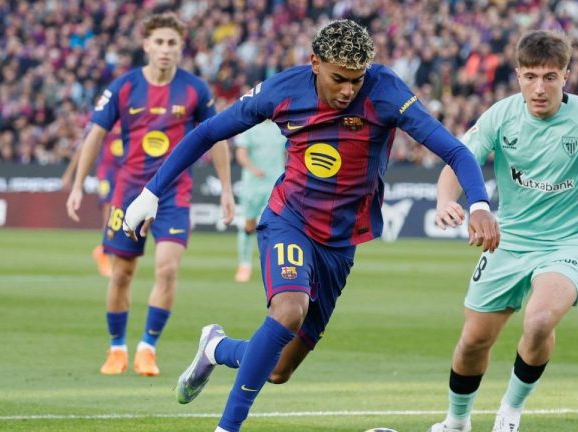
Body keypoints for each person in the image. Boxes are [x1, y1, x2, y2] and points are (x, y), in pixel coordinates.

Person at [122, 19, 499, 432]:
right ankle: (226, 427)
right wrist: (151, 192)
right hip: (290, 220)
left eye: (356, 81)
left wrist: (479, 203)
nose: (348, 91)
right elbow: (208, 132)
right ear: (315, 63)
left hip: (340, 243)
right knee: (288, 311)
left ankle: (216, 348)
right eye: (339, 79)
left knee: (278, 370)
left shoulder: (387, 91)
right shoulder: (283, 90)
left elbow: (455, 151)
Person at [428, 30, 578, 432]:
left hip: (570, 243)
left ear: (566, 75)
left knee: (538, 321)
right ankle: (456, 422)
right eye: (530, 76)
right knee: (473, 340)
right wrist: (447, 200)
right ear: (517, 74)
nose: (539, 87)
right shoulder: (501, 116)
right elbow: (457, 161)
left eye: (550, 77)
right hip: (509, 240)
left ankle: (510, 412)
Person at [65, 12, 235, 377]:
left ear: (180, 47)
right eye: (158, 41)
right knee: (122, 273)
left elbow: (217, 136)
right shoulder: (124, 86)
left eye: (172, 43)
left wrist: (226, 189)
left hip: (175, 194)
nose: (165, 49)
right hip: (129, 194)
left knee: (168, 270)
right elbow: (94, 134)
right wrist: (79, 183)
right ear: (146, 45)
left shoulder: (195, 89)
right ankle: (116, 349)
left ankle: (147, 348)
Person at [62, 123, 123, 277]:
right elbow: (85, 148)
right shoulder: (107, 117)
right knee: (109, 211)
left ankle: (108, 251)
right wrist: (70, 174)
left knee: (121, 215)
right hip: (107, 173)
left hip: (126, 173)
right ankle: (105, 254)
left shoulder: (134, 113)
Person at [233, 120, 286, 283]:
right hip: (252, 185)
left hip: (275, 184)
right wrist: (253, 169)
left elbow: (288, 152)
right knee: (249, 225)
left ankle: (271, 264)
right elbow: (241, 154)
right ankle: (244, 264)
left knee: (271, 224)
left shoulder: (281, 127)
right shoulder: (250, 128)